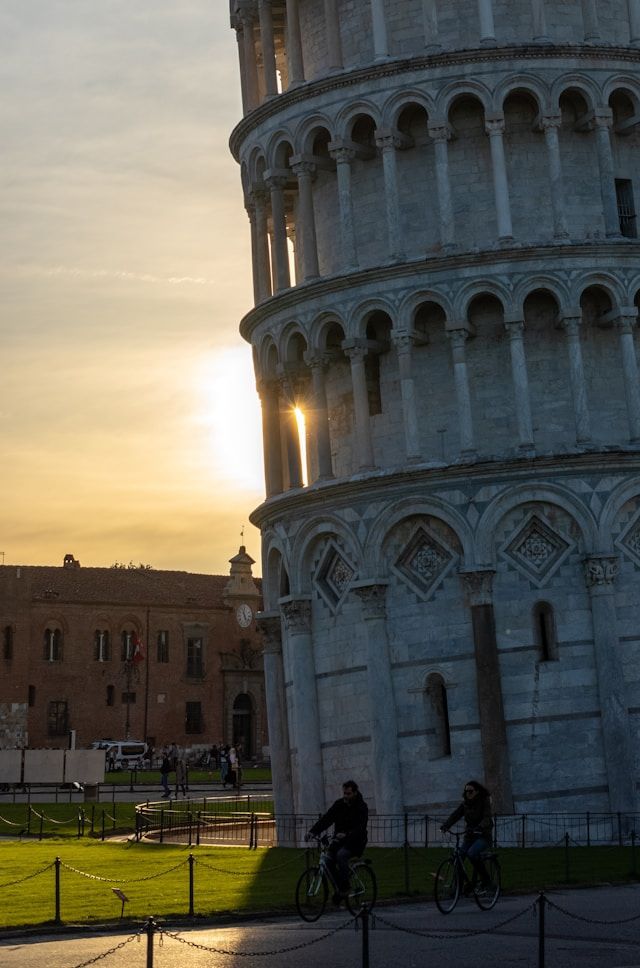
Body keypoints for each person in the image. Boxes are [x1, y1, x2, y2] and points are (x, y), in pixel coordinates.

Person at [306, 780, 368, 905]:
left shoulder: (361, 807)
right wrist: (313, 832)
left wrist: (347, 834)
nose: (346, 796)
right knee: (328, 861)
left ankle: (345, 887)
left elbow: (360, 827)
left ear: (355, 793)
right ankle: (339, 889)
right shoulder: (339, 804)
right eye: (344, 793)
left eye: (348, 794)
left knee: (341, 855)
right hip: (339, 841)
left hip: (356, 841)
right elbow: (327, 819)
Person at [440, 780, 493, 891]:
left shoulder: (484, 801)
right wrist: (446, 826)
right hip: (470, 836)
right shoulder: (465, 804)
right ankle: (459, 887)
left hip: (483, 835)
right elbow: (456, 815)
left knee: (472, 853)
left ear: (477, 791)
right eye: (466, 791)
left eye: (470, 791)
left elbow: (487, 817)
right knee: (459, 857)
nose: (468, 793)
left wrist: (480, 827)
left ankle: (486, 879)